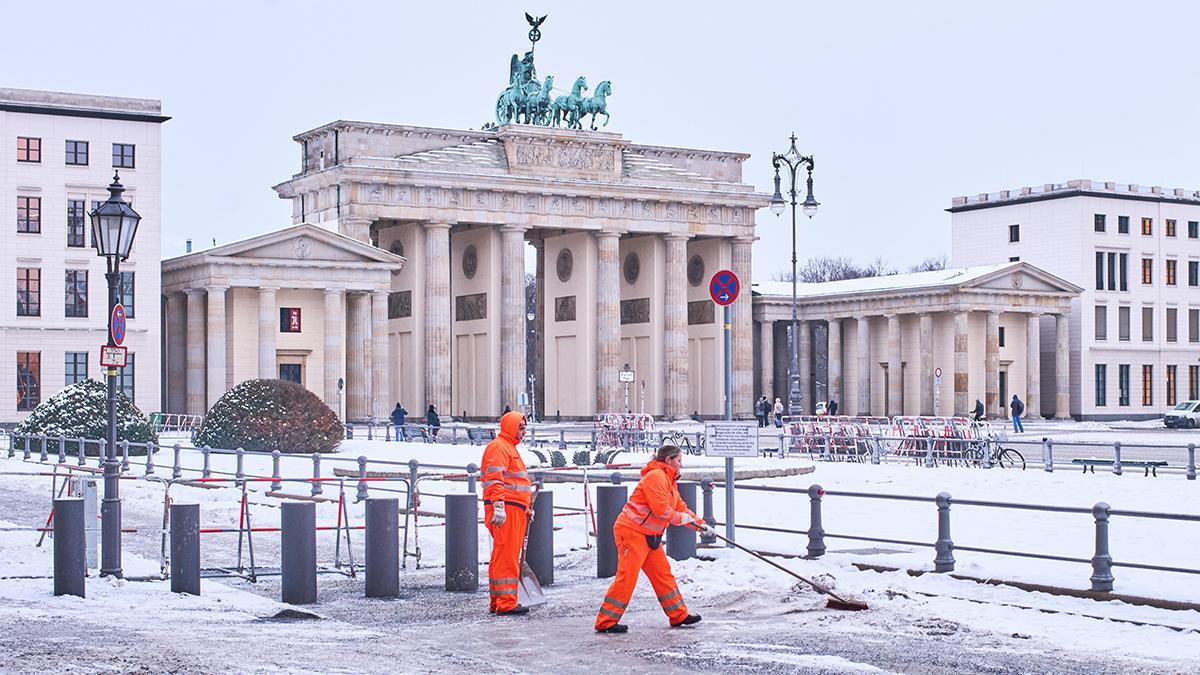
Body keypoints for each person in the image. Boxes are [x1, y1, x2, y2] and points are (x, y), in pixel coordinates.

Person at [595, 445, 711, 634]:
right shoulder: (656, 477)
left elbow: (680, 507)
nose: (682, 464)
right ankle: (606, 621)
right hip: (632, 532)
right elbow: (662, 510)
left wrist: (700, 525)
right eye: (679, 460)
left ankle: (678, 615)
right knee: (627, 577)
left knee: (663, 574)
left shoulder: (668, 480)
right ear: (668, 460)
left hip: (649, 535)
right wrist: (685, 520)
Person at [481, 411, 533, 616]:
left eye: (524, 428)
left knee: (502, 554)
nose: (523, 432)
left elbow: (515, 482)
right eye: (520, 428)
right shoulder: (499, 447)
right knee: (507, 556)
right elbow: (494, 479)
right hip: (507, 510)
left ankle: (498, 600)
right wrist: (499, 505)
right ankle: (506, 602)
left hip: (514, 509)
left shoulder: (508, 448)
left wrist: (525, 507)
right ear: (510, 426)